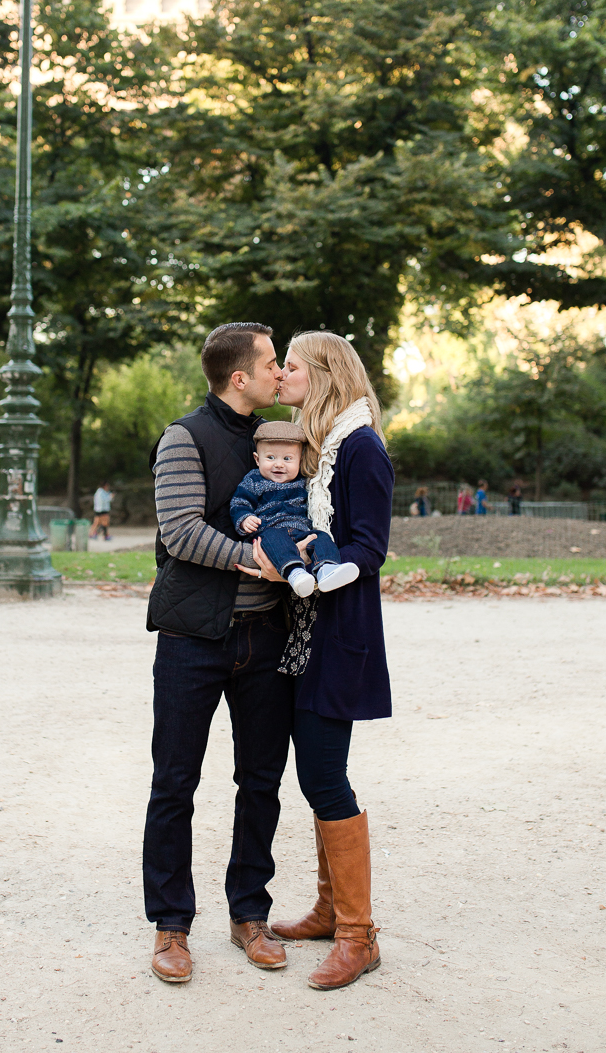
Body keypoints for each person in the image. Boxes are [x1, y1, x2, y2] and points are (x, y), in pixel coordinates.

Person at [143, 322, 301, 985]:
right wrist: (254, 561)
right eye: (270, 363)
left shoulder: (281, 439)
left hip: (265, 639)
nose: (279, 373)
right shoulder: (184, 438)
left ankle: (248, 915)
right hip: (193, 638)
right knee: (176, 782)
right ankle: (171, 926)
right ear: (240, 377)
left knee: (261, 781)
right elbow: (179, 532)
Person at [245, 331, 394, 992]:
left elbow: (370, 546)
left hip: (341, 634)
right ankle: (333, 911)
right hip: (306, 632)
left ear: (326, 374)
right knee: (315, 777)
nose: (282, 378)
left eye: (294, 369)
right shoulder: (324, 449)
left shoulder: (360, 448)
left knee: (327, 779)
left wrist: (329, 569)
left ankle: (359, 936)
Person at [230, 421, 360, 597]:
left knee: (320, 537)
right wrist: (245, 518)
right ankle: (295, 573)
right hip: (269, 530)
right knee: (275, 540)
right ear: (256, 459)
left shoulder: (303, 481)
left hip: (300, 531)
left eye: (287, 459)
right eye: (270, 457)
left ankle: (326, 569)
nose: (279, 464)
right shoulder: (253, 480)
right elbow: (239, 502)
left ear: (299, 460)